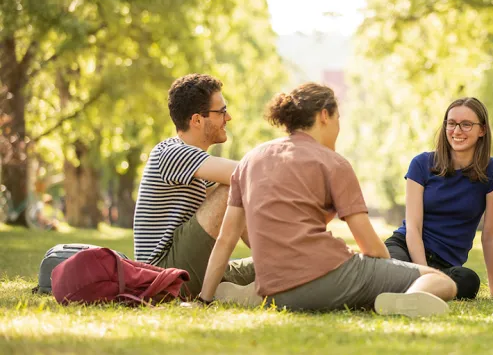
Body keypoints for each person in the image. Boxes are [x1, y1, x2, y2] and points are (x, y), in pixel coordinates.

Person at [197, 83, 457, 317]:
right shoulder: (334, 163)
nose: (339, 127)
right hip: (326, 276)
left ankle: (253, 294)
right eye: (338, 118)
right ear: (324, 115)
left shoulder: (251, 160)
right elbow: (370, 246)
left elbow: (226, 238)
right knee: (442, 281)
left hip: (275, 288)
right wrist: (386, 269)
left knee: (342, 272)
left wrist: (203, 299)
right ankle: (406, 301)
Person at [133, 74, 254, 297]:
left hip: (192, 266)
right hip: (163, 275)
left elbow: (236, 210)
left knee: (270, 265)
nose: (229, 117)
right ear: (197, 120)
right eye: (222, 111)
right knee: (233, 185)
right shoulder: (171, 152)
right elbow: (246, 174)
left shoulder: (197, 165)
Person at [384, 98, 493, 299]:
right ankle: (415, 291)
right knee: (392, 267)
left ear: (482, 130)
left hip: (445, 265)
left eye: (466, 124)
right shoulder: (421, 164)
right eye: (451, 124)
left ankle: (407, 292)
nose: (457, 131)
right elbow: (413, 228)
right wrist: (425, 273)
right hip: (406, 249)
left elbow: (489, 234)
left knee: (468, 281)